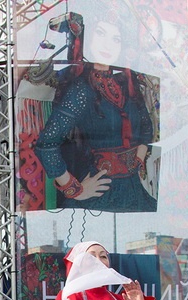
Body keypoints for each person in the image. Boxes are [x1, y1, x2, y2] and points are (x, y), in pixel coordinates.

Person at [32, 7, 159, 213]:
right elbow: (46, 144)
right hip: (99, 194)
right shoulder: (81, 89)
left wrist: (137, 159)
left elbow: (146, 129)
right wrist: (75, 189)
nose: (107, 45)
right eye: (100, 34)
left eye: (115, 39)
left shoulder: (128, 83)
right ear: (87, 40)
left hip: (134, 189)